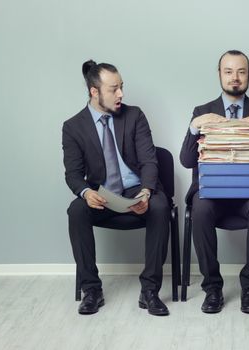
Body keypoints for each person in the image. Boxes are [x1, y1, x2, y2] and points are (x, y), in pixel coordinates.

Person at [180, 50, 249, 314]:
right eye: (228, 71)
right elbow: (186, 160)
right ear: (219, 75)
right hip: (211, 195)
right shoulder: (202, 111)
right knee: (200, 209)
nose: (235, 78)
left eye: (241, 71)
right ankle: (212, 288)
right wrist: (195, 128)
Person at [62, 60, 170, 316]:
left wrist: (145, 191)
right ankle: (91, 290)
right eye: (113, 89)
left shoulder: (134, 116)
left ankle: (150, 290)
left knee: (160, 205)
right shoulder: (73, 127)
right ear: (94, 91)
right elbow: (74, 174)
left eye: (122, 87)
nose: (121, 94)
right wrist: (87, 193)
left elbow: (149, 161)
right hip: (101, 194)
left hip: (135, 191)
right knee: (76, 211)